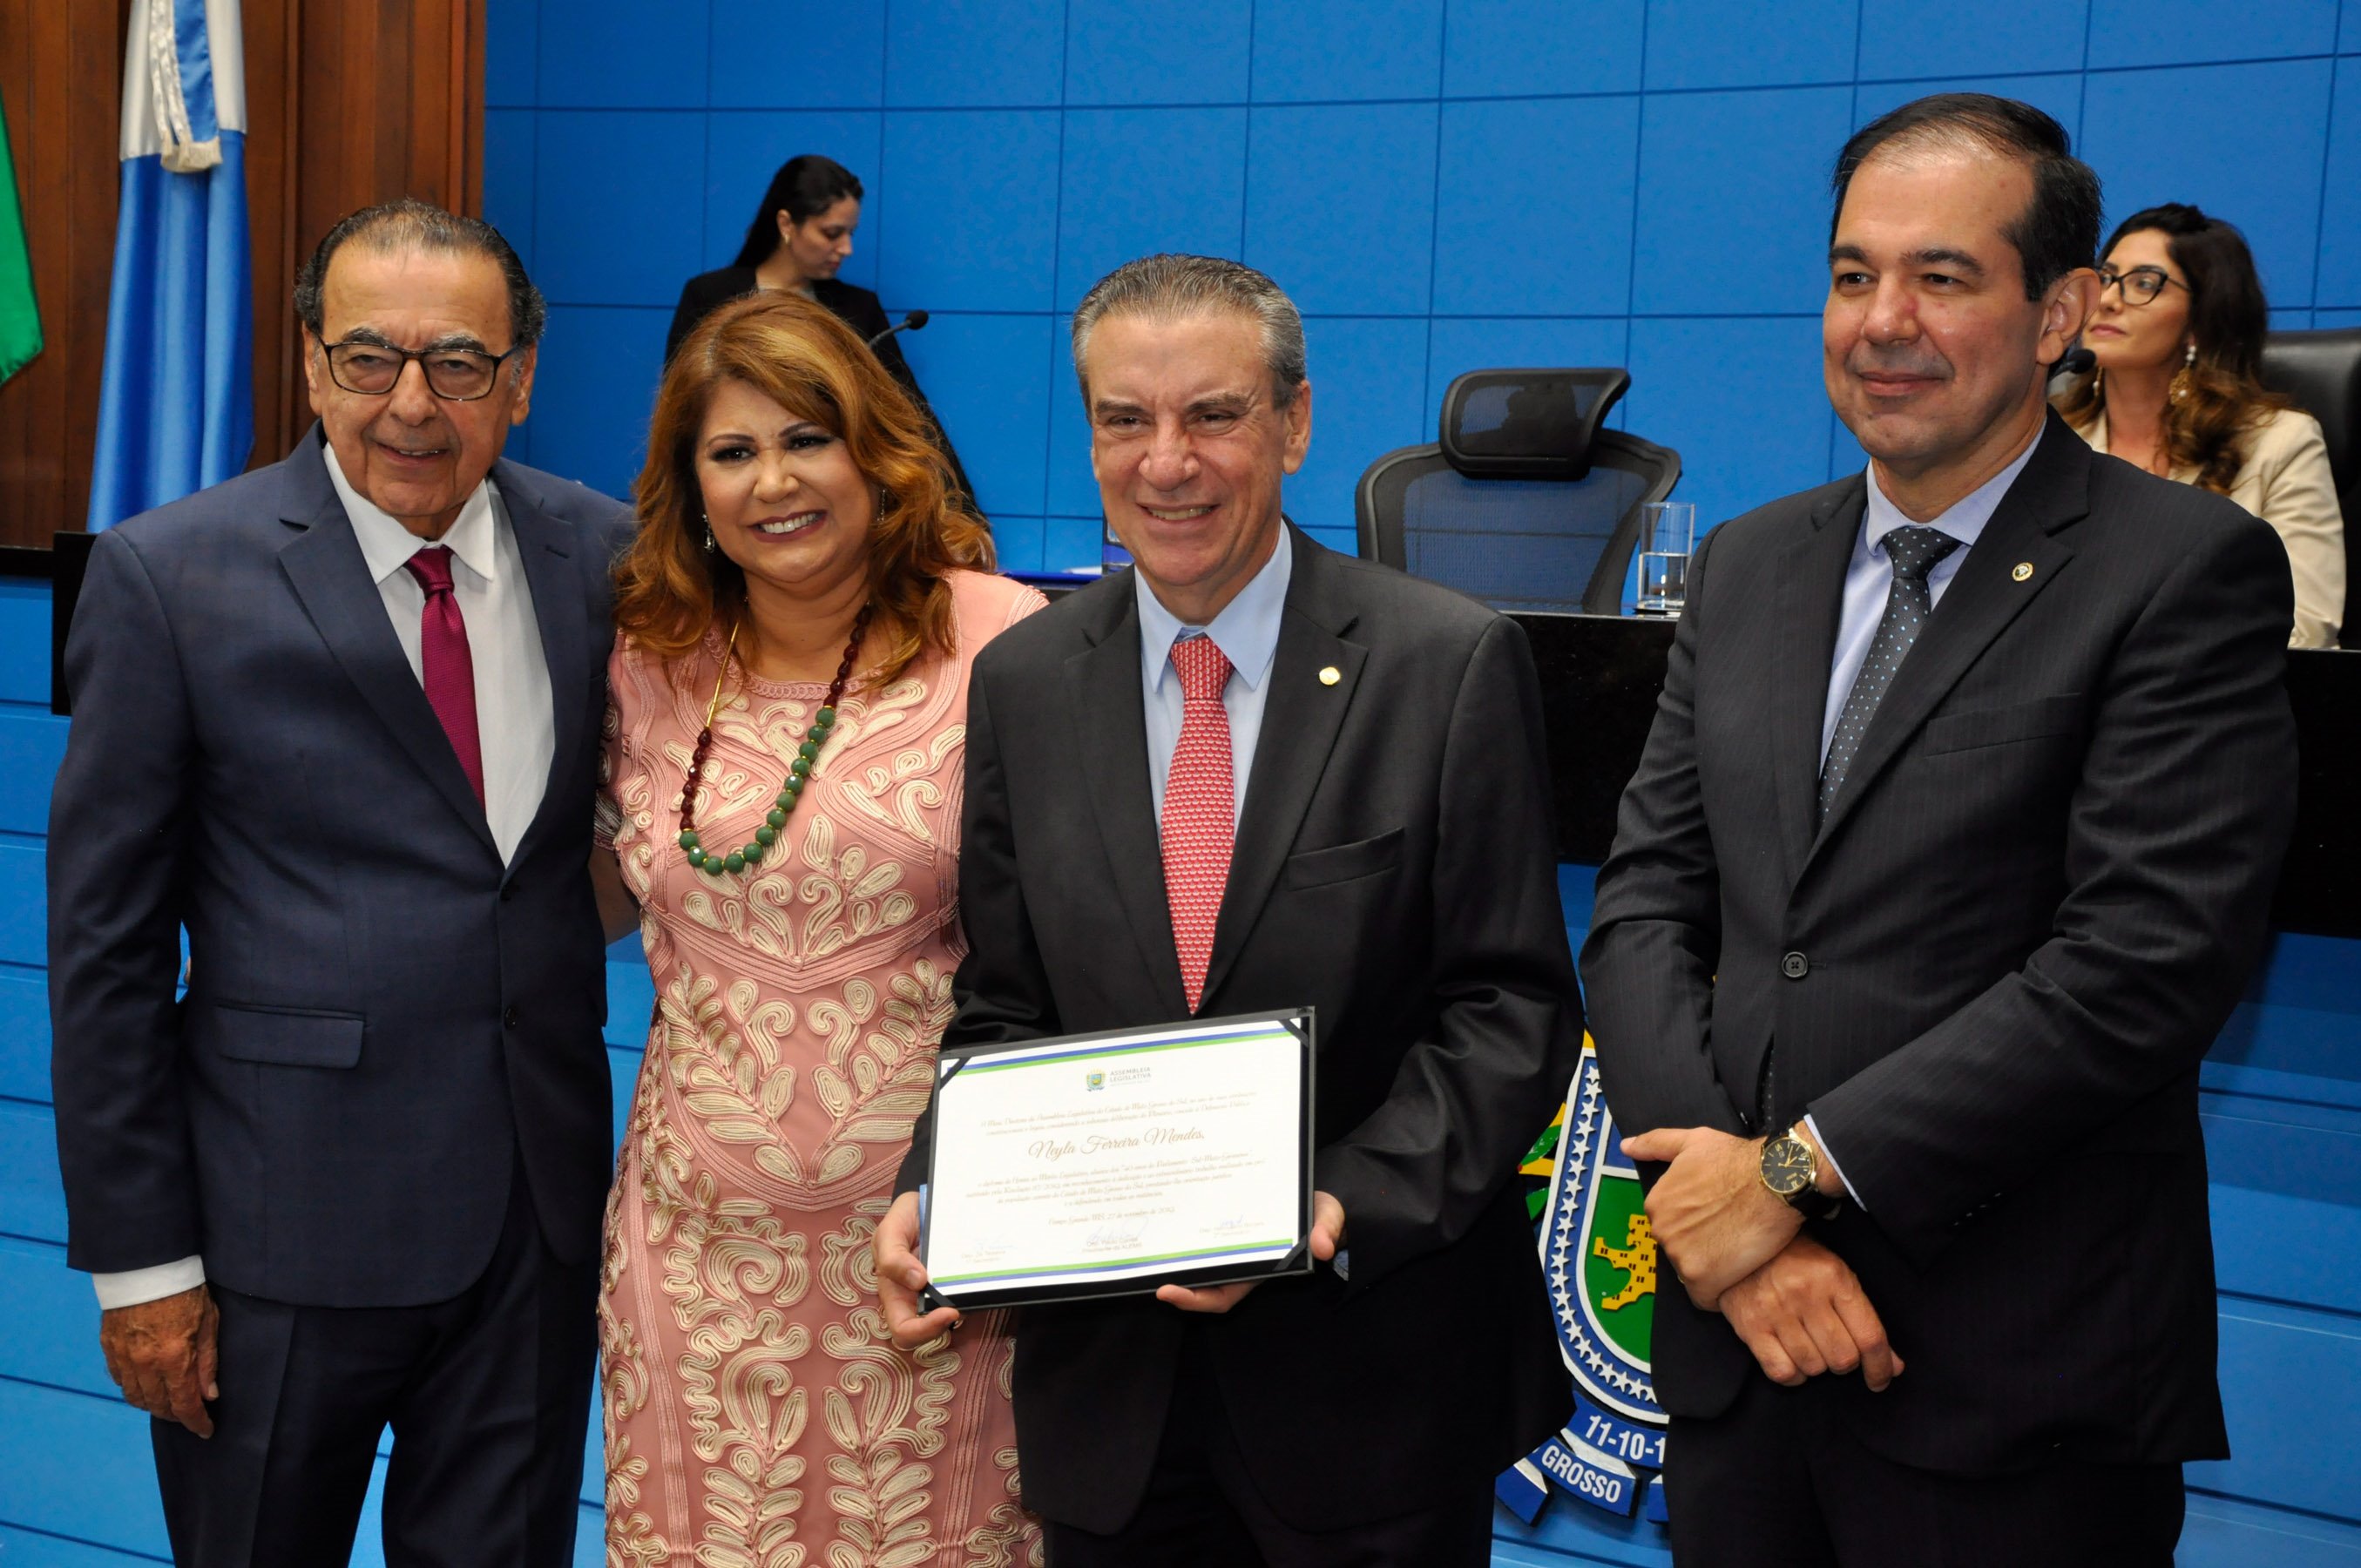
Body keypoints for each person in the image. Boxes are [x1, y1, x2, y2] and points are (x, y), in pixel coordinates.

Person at [1581, 94, 2297, 1565]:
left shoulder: (2184, 570)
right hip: (1742, 1370)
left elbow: (2142, 963)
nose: (1882, 322)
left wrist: (1785, 1181)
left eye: (1942, 277)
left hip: (2011, 1387)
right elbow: (1646, 902)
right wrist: (1728, 1229)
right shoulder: (1748, 564)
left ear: (2061, 315)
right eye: (1853, 275)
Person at [870, 253, 1581, 1566]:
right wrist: (941, 1180)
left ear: (1294, 424)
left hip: (1368, 1386)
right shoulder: (1026, 679)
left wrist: (1338, 1204)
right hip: (1110, 1402)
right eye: (1123, 420)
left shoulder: (1443, 663)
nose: (1166, 463)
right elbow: (1007, 1001)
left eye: (1212, 414)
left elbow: (1509, 1013)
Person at [48, 199, 629, 1565]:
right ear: (311, 365)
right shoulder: (168, 578)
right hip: (273, 1236)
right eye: (369, 357)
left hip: (533, 1227)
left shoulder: (608, 560)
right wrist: (143, 1265)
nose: (412, 403)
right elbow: (105, 953)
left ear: (521, 378)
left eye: (459, 363)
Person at [595, 290, 1045, 1565]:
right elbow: (593, 888)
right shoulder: (645, 657)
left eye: (808, 439)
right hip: (694, 1255)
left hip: (938, 1249)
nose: (774, 482)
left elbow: (1070, 944)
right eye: (732, 452)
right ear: (691, 488)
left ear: (875, 453)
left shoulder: (1003, 641)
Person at [2054, 202, 2345, 647]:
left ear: (2200, 321)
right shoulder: (2050, 434)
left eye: (2145, 284)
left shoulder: (2279, 444)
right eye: (2106, 277)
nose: (2109, 300)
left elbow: (2305, 627)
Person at [666, 152, 976, 509]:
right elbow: (679, 416)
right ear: (786, 224)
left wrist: (964, 512)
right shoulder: (711, 296)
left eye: (850, 233)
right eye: (832, 233)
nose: (846, 248)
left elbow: (911, 417)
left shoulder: (858, 309)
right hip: (738, 494)